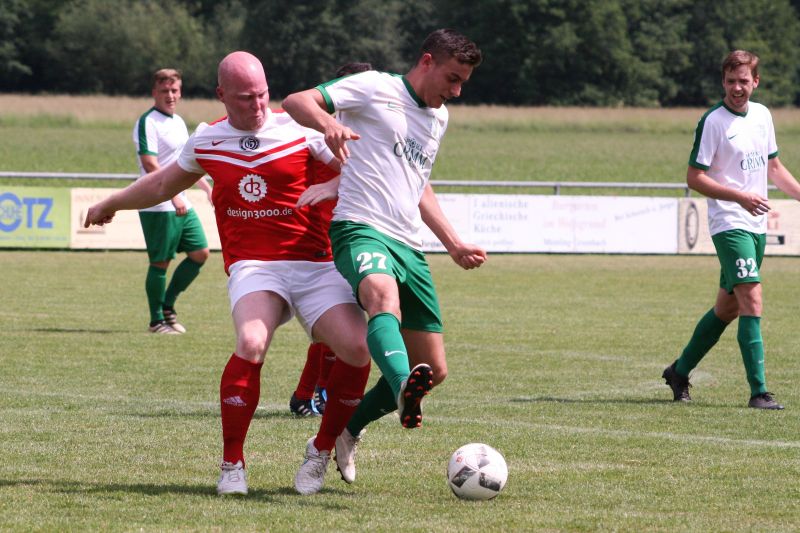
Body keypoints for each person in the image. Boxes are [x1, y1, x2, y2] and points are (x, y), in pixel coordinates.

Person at [85, 51, 372, 495]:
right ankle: (232, 464)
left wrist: (331, 184)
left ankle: (321, 449)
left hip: (316, 264)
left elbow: (364, 170)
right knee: (251, 341)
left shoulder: (299, 129)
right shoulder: (207, 140)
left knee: (356, 347)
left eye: (262, 95)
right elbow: (161, 183)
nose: (257, 106)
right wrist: (112, 203)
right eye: (244, 98)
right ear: (221, 95)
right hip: (255, 266)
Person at [283, 29, 486, 483]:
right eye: (452, 79)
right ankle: (401, 388)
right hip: (360, 227)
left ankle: (348, 430)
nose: (456, 92)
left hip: (409, 245)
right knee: (381, 297)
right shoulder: (375, 86)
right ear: (427, 61)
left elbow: (419, 183)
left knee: (435, 369)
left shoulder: (438, 117)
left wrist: (452, 242)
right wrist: (328, 123)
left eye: (463, 83)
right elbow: (297, 101)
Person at [662, 50, 800, 410]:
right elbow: (695, 178)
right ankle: (759, 392)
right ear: (723, 82)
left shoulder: (763, 116)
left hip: (755, 224)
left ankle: (679, 371)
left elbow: (773, 167)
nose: (737, 88)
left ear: (756, 82)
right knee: (752, 298)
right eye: (730, 81)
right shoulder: (713, 122)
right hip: (729, 223)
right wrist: (739, 197)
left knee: (727, 309)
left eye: (743, 81)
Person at [289, 61, 374, 418]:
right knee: (340, 322)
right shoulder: (317, 130)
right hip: (324, 235)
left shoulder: (366, 129)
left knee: (341, 323)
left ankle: (308, 394)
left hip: (354, 231)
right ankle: (318, 393)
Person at [133, 68, 213, 334]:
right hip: (157, 202)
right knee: (161, 262)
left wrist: (207, 188)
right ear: (154, 92)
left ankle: (168, 305)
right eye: (165, 90)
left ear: (180, 92)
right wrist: (174, 194)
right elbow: (150, 163)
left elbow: (186, 163)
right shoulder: (148, 122)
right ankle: (156, 321)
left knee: (200, 253)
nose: (170, 95)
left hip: (179, 200)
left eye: (174, 90)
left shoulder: (177, 121)